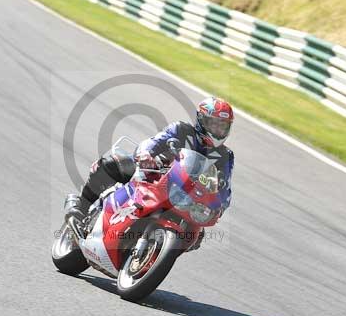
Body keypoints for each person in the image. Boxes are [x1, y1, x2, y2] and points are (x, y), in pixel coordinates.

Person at [64, 97, 235, 249]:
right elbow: (155, 142)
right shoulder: (181, 129)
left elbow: (225, 187)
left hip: (187, 196)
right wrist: (146, 154)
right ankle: (82, 206)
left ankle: (153, 251)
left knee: (196, 235)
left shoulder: (225, 156)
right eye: (213, 124)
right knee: (112, 164)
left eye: (222, 126)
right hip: (153, 173)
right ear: (201, 120)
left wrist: (220, 206)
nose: (218, 130)